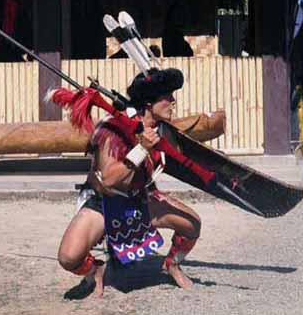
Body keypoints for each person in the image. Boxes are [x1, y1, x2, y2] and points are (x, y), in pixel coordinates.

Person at [56, 68, 202, 297]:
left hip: (142, 199)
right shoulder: (112, 128)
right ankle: (95, 270)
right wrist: (141, 148)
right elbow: (110, 179)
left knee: (193, 224)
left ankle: (171, 264)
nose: (173, 101)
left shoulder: (162, 129)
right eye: (167, 96)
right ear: (148, 102)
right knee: (69, 257)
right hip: (105, 203)